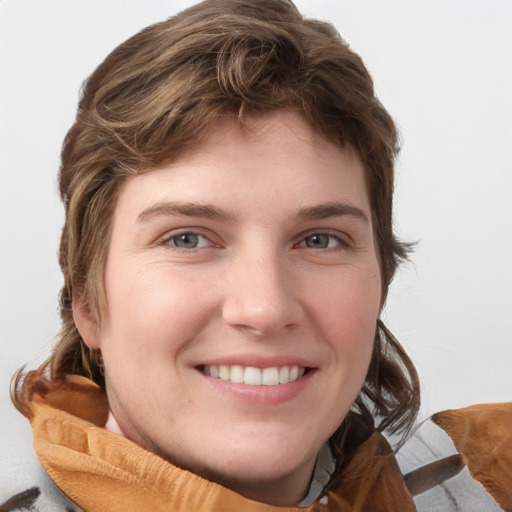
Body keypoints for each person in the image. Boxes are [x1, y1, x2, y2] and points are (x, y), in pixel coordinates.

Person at [3, 1, 511, 511]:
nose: (265, 308)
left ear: (381, 280)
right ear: (86, 300)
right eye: (187, 239)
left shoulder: (489, 480)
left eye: (319, 240)